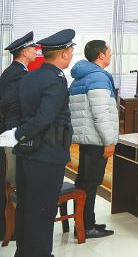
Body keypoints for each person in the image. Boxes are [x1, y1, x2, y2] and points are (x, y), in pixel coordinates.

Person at [1, 29, 75, 257]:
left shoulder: (29, 76)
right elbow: (44, 118)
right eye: (71, 50)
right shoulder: (56, 79)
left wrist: (15, 133)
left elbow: (14, 109)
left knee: (26, 206)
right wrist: (18, 134)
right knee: (42, 210)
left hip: (26, 153)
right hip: (47, 154)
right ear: (64, 54)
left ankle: (24, 252)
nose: (71, 54)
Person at [69, 40, 118, 239]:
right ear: (101, 55)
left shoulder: (83, 76)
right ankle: (86, 227)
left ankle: (84, 222)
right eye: (109, 52)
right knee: (89, 184)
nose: (111, 55)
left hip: (86, 138)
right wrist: (109, 141)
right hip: (96, 139)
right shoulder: (97, 77)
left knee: (85, 182)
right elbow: (100, 114)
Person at [0, 32, 36, 239]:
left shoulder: (15, 71)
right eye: (32, 49)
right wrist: (17, 130)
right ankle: (12, 229)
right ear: (24, 52)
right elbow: (9, 104)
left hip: (11, 130)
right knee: (13, 181)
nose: (35, 51)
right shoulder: (17, 74)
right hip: (12, 133)